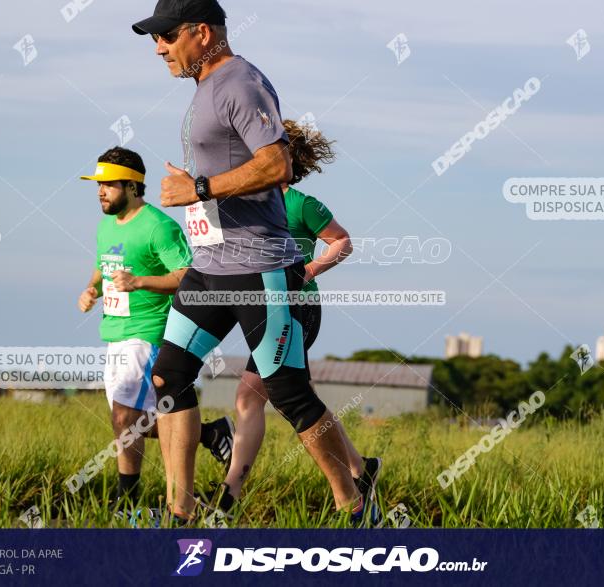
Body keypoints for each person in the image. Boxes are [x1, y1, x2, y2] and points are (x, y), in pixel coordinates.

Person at [131, 0, 370, 526]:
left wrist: (199, 186)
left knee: (288, 392)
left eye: (167, 36)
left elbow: (276, 162)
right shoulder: (204, 88)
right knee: (169, 378)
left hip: (260, 269)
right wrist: (198, 194)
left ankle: (354, 506)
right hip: (210, 266)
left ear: (202, 31)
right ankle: (181, 511)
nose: (158, 48)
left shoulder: (239, 81)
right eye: (155, 38)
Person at [207, 120, 381, 522]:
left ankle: (229, 496)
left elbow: (342, 239)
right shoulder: (244, 201)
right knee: (287, 399)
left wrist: (311, 270)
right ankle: (360, 468)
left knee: (261, 398)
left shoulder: (301, 203)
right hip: (263, 308)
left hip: (297, 309)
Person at [76, 146, 234, 521]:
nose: (100, 192)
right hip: (114, 333)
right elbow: (103, 265)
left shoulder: (159, 226)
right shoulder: (105, 226)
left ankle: (125, 503)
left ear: (132, 186)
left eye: (108, 185)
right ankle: (211, 434)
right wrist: (91, 289)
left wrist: (140, 281)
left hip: (147, 333)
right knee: (131, 422)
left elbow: (187, 276)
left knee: (122, 418)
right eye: (97, 185)